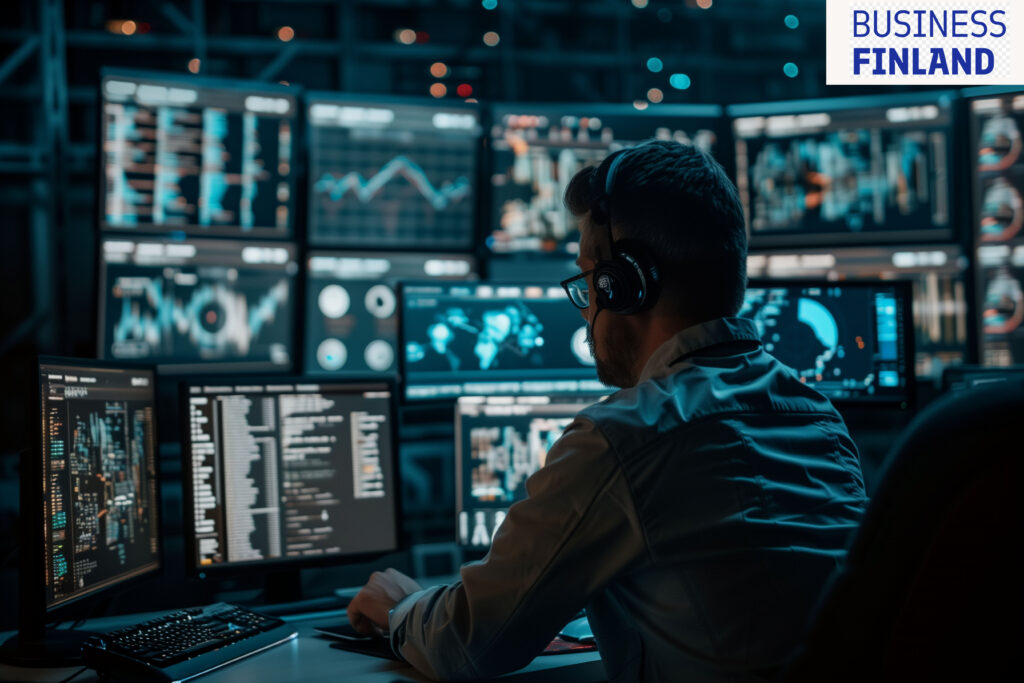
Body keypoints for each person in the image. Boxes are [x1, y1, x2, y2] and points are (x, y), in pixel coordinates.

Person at [347, 140, 867, 682]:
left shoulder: (626, 437)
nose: (588, 304)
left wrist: (400, 607)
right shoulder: (819, 417)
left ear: (623, 287)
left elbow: (469, 643)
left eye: (589, 280)